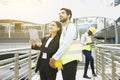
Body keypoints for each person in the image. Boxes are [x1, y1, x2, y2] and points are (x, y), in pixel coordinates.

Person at [49, 8, 81, 80]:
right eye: (59, 13)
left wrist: (55, 57)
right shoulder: (65, 28)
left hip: (70, 61)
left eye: (63, 13)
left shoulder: (71, 27)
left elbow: (66, 44)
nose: (60, 14)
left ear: (68, 15)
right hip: (66, 60)